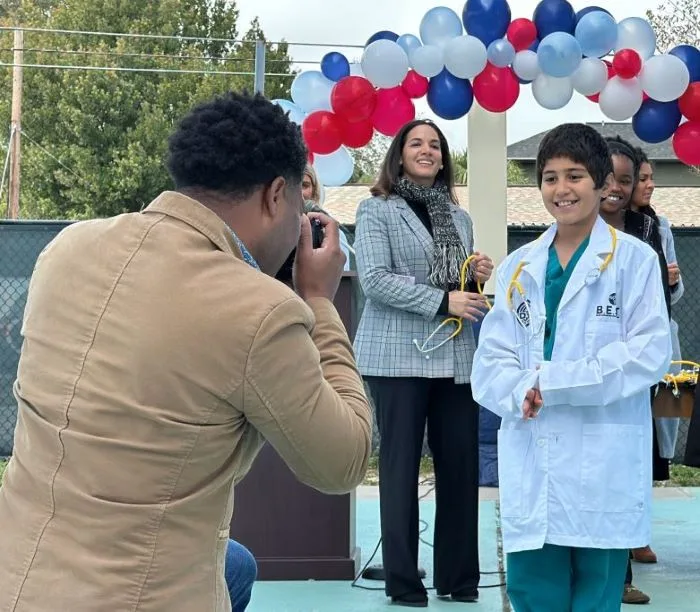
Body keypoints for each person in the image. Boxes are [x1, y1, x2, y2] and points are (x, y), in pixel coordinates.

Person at [0, 91, 373, 612]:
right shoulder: (259, 309)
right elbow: (344, 461)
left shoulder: (67, 247)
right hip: (134, 595)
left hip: (18, 566)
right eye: (299, 211)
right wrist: (318, 301)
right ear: (276, 196)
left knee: (236, 564)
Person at [471, 123, 672, 612]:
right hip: (533, 448)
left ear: (604, 183)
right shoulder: (520, 266)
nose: (562, 190)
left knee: (596, 593)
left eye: (575, 175)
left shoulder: (635, 261)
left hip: (601, 455)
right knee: (533, 590)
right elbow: (490, 360)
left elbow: (648, 351)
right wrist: (518, 390)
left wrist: (551, 382)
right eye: (550, 177)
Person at [353, 118, 493, 608]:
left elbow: (463, 294)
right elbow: (373, 279)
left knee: (460, 467)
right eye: (417, 143)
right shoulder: (376, 210)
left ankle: (459, 580)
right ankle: (404, 583)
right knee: (399, 468)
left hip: (454, 358)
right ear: (399, 154)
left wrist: (473, 279)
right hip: (396, 358)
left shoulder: (460, 218)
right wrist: (442, 300)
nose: (427, 150)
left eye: (435, 144)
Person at [600, 136, 673, 604]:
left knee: (627, 466)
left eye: (625, 180)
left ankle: (619, 570)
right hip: (583, 371)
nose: (616, 188)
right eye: (606, 178)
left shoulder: (647, 230)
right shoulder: (570, 229)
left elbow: (657, 306)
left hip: (632, 370)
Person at [628, 146, 685, 566]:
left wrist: (670, 281)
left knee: (650, 440)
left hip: (655, 341)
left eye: (650, 178)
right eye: (641, 178)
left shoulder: (658, 225)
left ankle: (638, 532)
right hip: (620, 345)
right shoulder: (609, 225)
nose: (648, 185)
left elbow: (675, 296)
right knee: (625, 438)